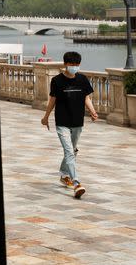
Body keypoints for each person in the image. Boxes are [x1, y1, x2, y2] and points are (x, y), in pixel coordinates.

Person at [41, 51, 98, 198]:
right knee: (69, 152)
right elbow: (52, 100)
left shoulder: (83, 79)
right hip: (62, 122)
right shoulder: (57, 81)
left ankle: (64, 174)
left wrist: (93, 112)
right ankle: (77, 183)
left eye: (77, 64)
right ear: (65, 64)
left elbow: (87, 98)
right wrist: (46, 117)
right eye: (72, 64)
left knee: (72, 151)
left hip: (78, 122)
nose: (75, 67)